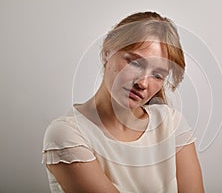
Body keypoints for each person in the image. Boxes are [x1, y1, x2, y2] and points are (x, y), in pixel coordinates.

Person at [42, 11, 205, 193]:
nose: (143, 83)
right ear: (106, 52)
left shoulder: (171, 123)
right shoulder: (67, 134)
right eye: (135, 63)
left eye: (157, 75)